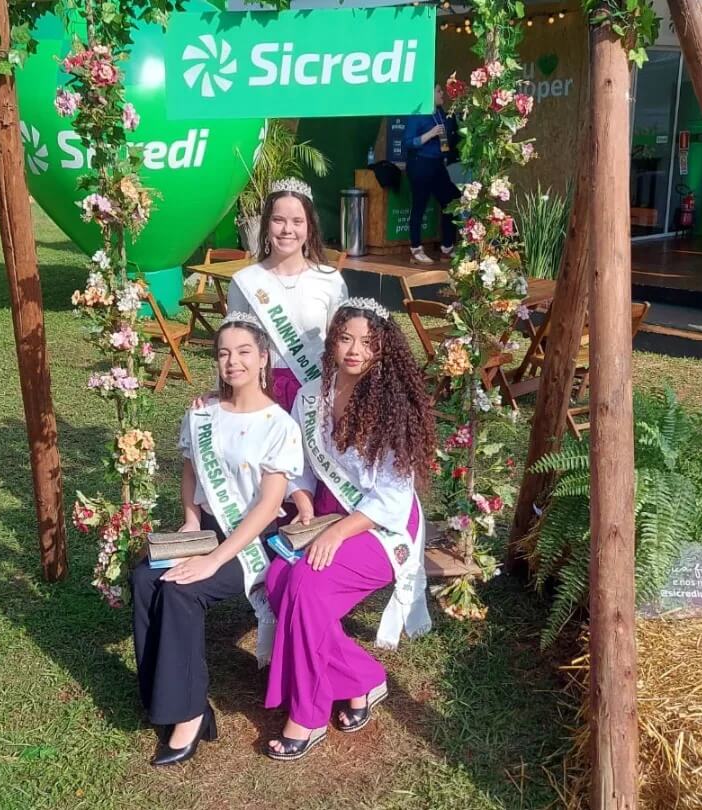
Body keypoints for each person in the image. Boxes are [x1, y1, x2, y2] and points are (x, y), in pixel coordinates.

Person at [263, 298, 436, 761]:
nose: (355, 350)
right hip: (324, 515)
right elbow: (300, 466)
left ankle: (308, 715)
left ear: (384, 348)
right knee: (279, 581)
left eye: (367, 342)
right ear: (332, 343)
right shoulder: (310, 397)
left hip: (380, 527)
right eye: (345, 339)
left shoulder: (393, 406)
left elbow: (393, 499)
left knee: (306, 586)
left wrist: (338, 533)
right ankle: (362, 678)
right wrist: (302, 501)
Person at [131, 312, 304, 766]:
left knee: (182, 591)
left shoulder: (279, 425)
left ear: (263, 357)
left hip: (252, 539)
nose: (233, 362)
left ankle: (190, 713)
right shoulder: (202, 413)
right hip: (207, 527)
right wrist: (190, 522)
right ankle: (160, 696)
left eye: (244, 352)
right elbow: (190, 471)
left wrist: (213, 560)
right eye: (224, 353)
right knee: (145, 578)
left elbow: (268, 505)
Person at [226, 178, 348, 412]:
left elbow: (341, 345)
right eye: (278, 220)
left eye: (297, 221)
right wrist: (223, 396)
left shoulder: (331, 281)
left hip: (314, 394)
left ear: (309, 227)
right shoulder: (245, 281)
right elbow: (231, 346)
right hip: (260, 393)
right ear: (266, 224)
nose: (287, 230)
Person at [401, 83, 460, 265]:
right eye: (439, 91)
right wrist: (431, 133)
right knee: (420, 204)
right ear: (429, 94)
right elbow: (408, 142)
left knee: (451, 200)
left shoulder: (441, 113)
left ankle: (447, 247)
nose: (442, 94)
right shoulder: (417, 114)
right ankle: (416, 249)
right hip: (420, 163)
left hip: (437, 163)